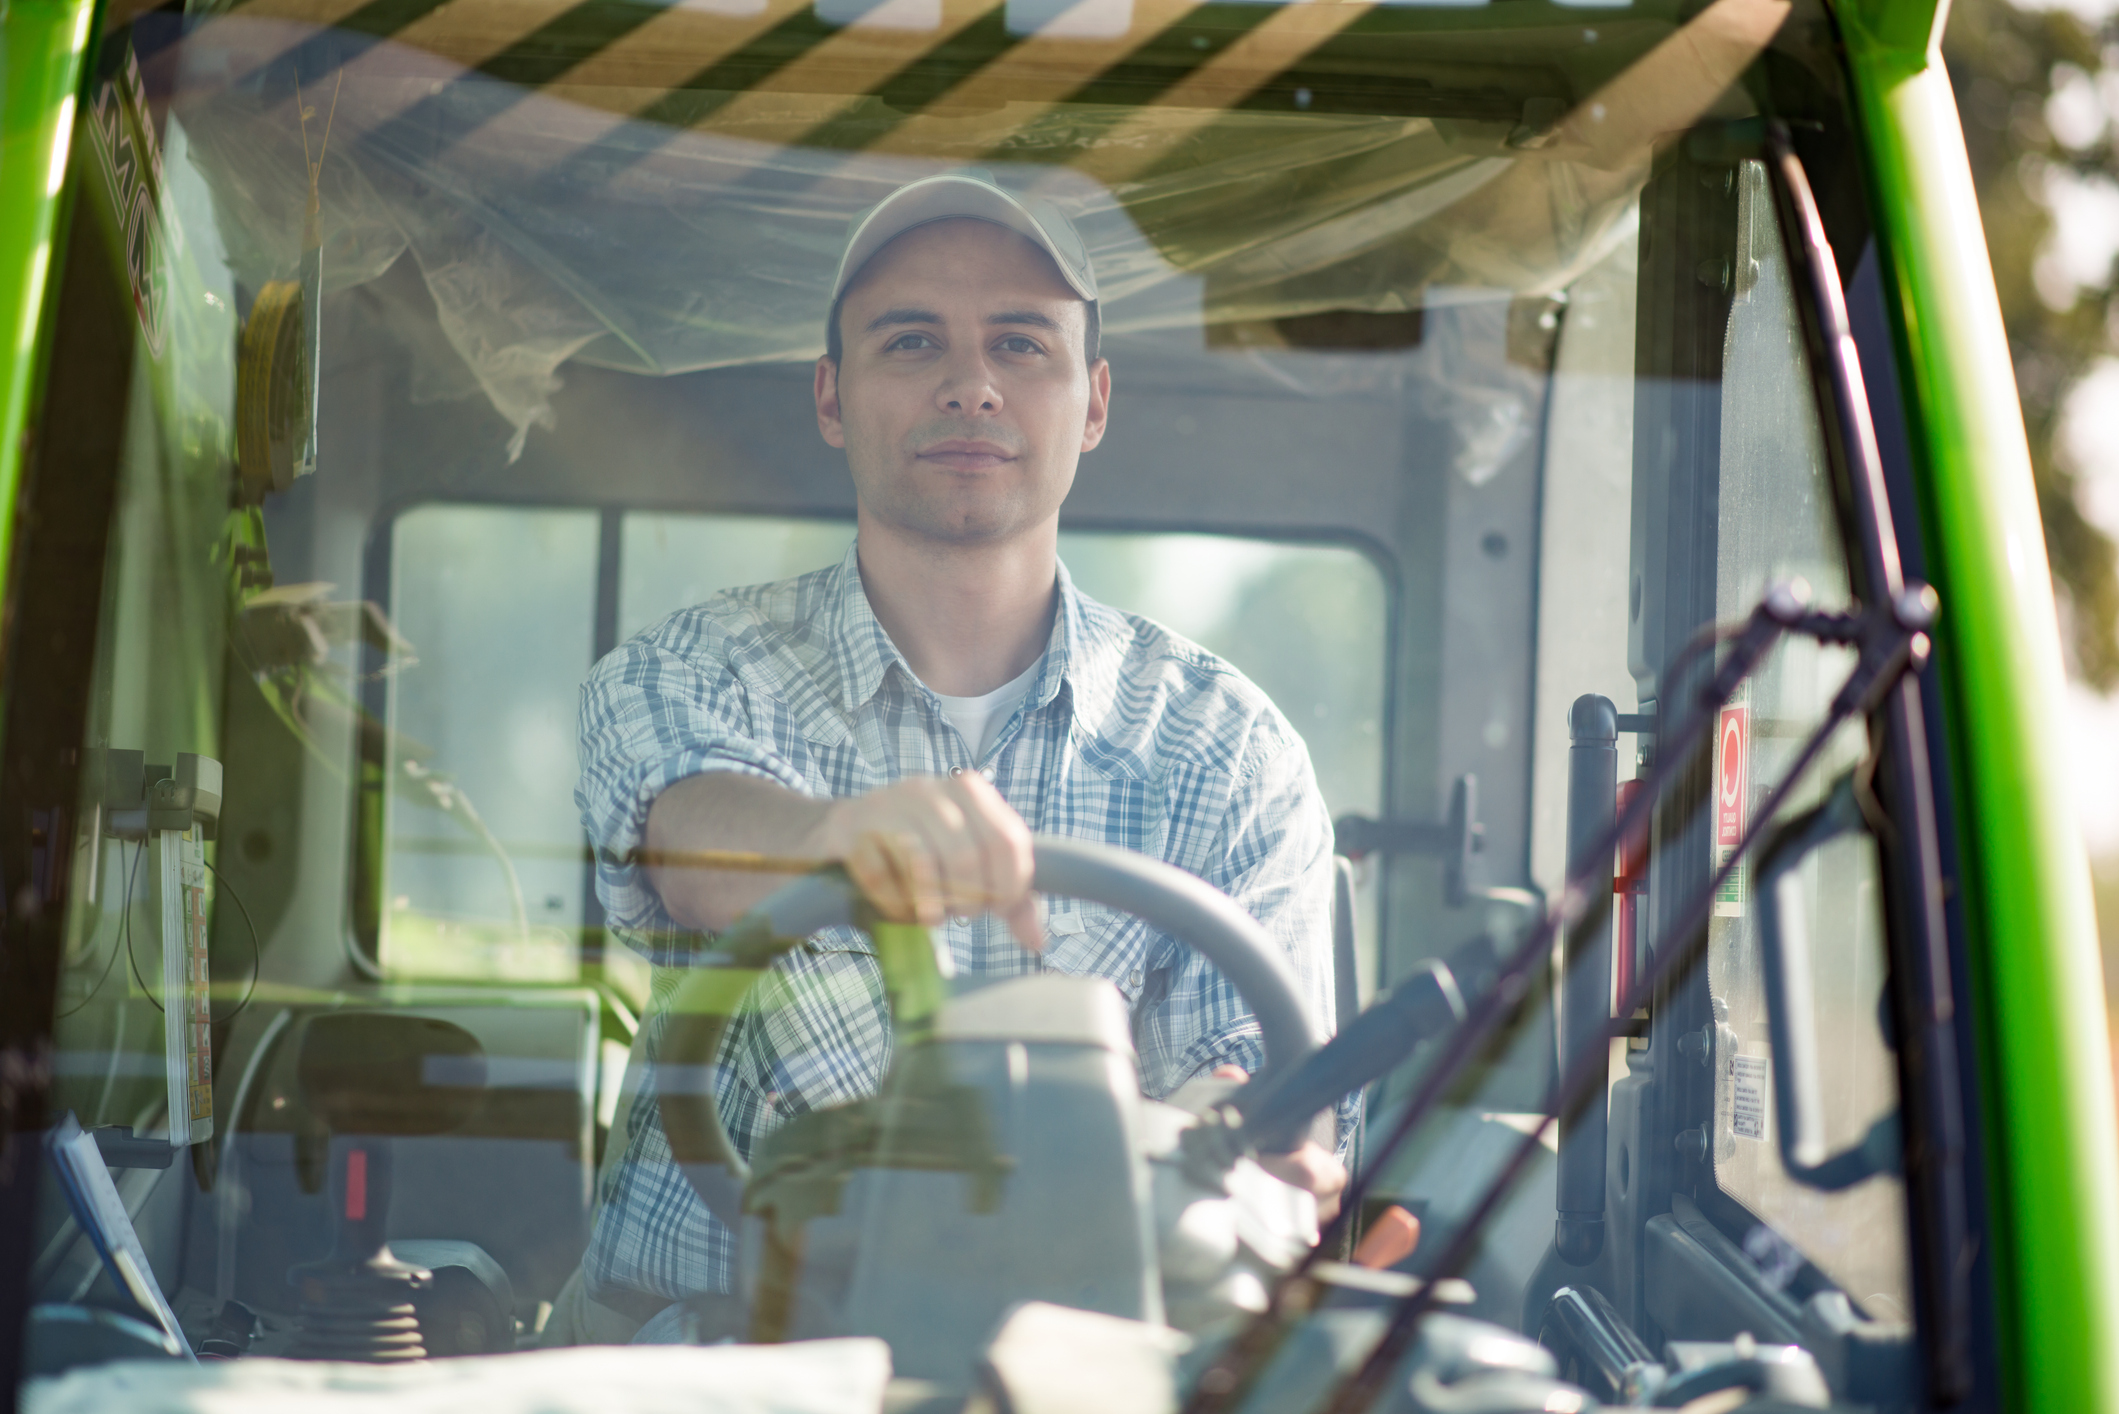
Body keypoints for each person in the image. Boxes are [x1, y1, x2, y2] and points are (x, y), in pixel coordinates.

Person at [571, 172, 1348, 1334]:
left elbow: (1249, 1090)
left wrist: (1244, 1158)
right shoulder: (687, 669)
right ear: (832, 397)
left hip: (1093, 1362)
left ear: (1091, 404)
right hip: (717, 1350)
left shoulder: (1227, 749)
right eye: (912, 340)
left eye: (1021, 345)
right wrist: (830, 842)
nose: (971, 383)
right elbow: (690, 840)